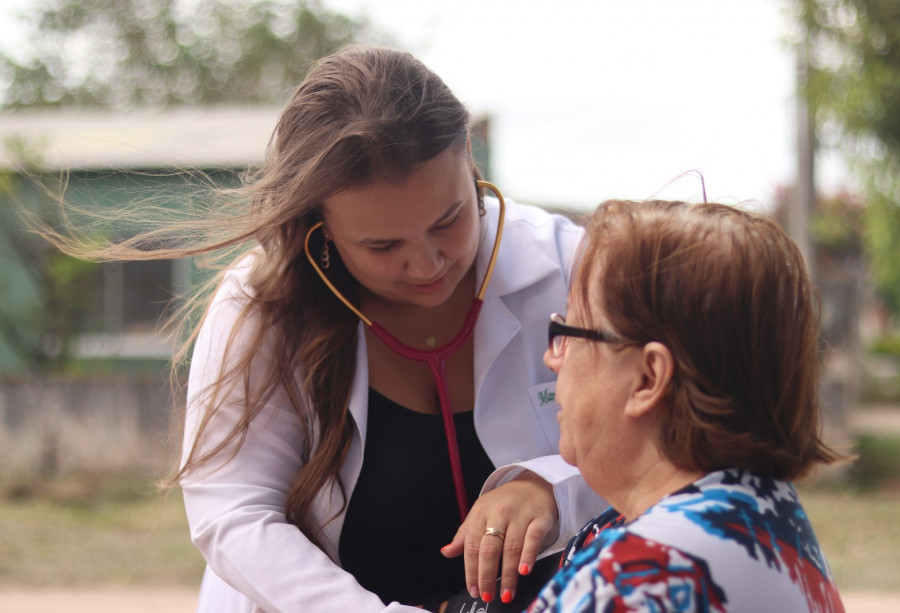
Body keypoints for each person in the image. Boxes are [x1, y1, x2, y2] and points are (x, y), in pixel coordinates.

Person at [165, 45, 606, 612]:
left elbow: (670, 438)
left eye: (449, 220)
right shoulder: (260, 306)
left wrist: (550, 486)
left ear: (470, 158)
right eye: (382, 245)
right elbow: (234, 514)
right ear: (320, 228)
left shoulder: (573, 268)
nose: (426, 265)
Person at [526, 199, 850, 612]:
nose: (553, 358)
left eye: (569, 330)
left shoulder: (641, 580)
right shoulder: (772, 519)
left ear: (647, 378)